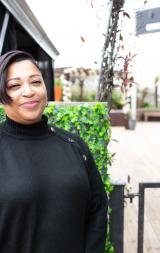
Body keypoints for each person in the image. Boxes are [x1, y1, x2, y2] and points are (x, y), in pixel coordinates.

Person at [0, 50, 108, 253]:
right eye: (15, 85)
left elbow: (97, 211)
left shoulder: (74, 145)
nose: (29, 91)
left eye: (36, 82)